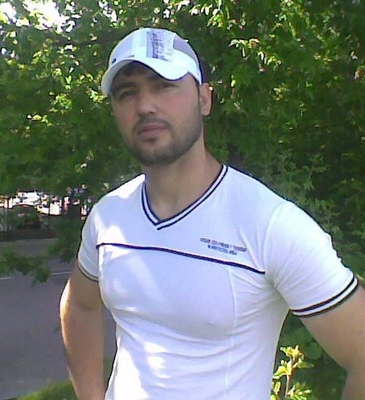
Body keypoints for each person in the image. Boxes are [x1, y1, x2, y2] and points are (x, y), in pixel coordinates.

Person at [60, 27, 365, 400]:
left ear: (205, 99)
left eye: (164, 86)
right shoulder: (109, 217)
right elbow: (79, 305)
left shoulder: (270, 225)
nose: (145, 106)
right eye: (127, 93)